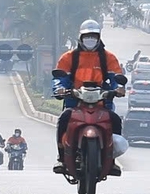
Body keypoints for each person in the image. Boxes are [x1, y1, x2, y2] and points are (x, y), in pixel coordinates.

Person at [52, 19, 126, 175]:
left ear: (99, 37)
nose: (90, 39)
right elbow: (60, 77)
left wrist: (118, 88)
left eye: (93, 36)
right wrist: (59, 89)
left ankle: (111, 160)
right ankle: (61, 157)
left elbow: (116, 77)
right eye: (87, 36)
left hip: (102, 100)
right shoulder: (69, 57)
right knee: (64, 119)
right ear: (80, 37)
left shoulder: (108, 58)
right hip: (75, 100)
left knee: (115, 120)